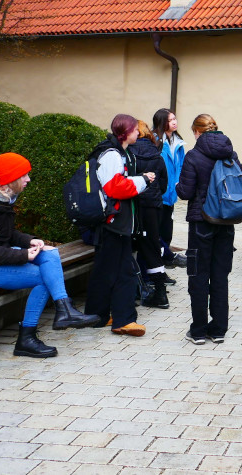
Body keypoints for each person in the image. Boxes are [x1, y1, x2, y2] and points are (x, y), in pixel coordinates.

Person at [0, 153, 99, 358]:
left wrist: (30, 241)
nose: (28, 179)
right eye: (24, 175)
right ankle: (26, 339)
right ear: (10, 180)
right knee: (43, 278)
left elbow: (6, 235)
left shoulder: (0, 197)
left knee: (50, 253)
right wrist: (23, 256)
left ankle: (65, 309)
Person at [86, 114, 156, 337]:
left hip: (112, 221)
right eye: (136, 130)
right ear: (126, 132)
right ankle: (124, 320)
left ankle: (97, 315)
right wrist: (143, 180)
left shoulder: (114, 153)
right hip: (114, 221)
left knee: (105, 269)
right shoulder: (113, 155)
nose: (139, 133)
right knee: (125, 270)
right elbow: (115, 188)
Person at [176, 114, 241, 345]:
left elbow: (184, 192)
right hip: (226, 222)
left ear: (196, 131)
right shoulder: (230, 154)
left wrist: (177, 184)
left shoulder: (194, 155)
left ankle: (199, 331)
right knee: (220, 275)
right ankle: (219, 329)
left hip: (201, 221)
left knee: (199, 275)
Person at [131, 120, 170, 309]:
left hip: (133, 206)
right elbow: (163, 183)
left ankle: (134, 290)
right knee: (152, 247)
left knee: (129, 247)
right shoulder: (157, 155)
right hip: (153, 207)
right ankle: (159, 291)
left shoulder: (127, 153)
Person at [153, 108, 187, 268]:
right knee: (157, 231)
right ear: (162, 122)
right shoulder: (155, 141)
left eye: (175, 118)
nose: (174, 122)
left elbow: (181, 165)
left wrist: (179, 182)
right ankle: (160, 260)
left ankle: (165, 259)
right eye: (170, 119)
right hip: (158, 193)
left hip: (172, 193)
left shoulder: (178, 142)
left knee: (167, 230)